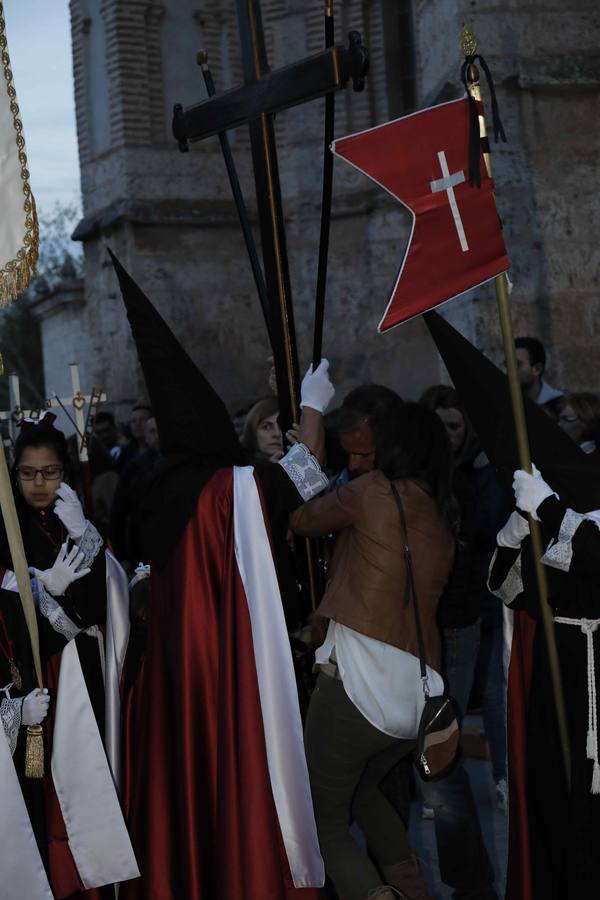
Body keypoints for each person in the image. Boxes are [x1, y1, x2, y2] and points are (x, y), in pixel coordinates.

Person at [110, 251, 333, 900]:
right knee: (237, 773)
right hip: (224, 673)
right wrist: (313, 405)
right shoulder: (219, 489)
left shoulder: (165, 484)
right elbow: (302, 477)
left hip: (171, 676)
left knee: (186, 788)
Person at [290, 402, 456, 900]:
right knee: (363, 792)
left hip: (357, 689)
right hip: (418, 697)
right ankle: (414, 890)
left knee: (324, 822)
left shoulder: (372, 492)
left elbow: (301, 519)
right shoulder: (439, 506)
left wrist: (306, 447)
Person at [0, 412, 138, 899]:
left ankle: (96, 881)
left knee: (90, 783)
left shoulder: (76, 521)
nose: (39, 483)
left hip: (88, 677)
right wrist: (43, 592)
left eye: (51, 472)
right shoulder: (5, 533)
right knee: (45, 785)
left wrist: (85, 537)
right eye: (29, 473)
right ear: (13, 474)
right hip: (39, 683)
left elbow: (108, 599)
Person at [489, 465, 600, 899]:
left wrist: (550, 508)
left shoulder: (571, 525)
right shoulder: (566, 529)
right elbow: (511, 590)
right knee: (555, 802)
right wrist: (513, 535)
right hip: (557, 682)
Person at [514, 336, 563, 406]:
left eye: (517, 365)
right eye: (507, 365)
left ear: (537, 369)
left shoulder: (559, 404)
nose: (510, 371)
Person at [241, 395, 284, 461]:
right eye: (266, 427)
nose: (277, 434)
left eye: (281, 427)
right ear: (252, 430)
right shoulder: (240, 469)